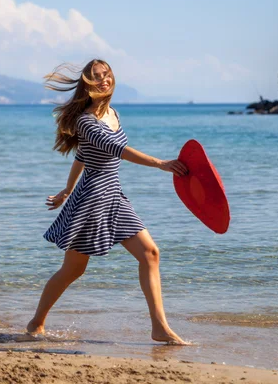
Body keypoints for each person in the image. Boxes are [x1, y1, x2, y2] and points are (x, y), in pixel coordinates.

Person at [27, 59, 189, 345]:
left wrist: (66, 189)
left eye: (107, 75)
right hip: (90, 200)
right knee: (73, 269)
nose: (104, 80)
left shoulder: (113, 113)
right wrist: (160, 163)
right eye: (97, 77)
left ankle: (159, 327)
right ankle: (36, 322)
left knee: (151, 254)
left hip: (114, 196)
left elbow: (82, 155)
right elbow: (118, 149)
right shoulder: (86, 121)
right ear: (88, 85)